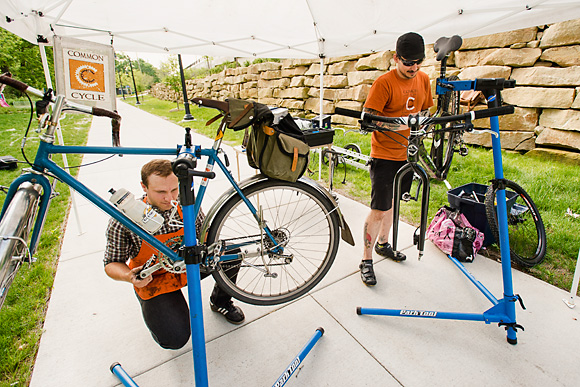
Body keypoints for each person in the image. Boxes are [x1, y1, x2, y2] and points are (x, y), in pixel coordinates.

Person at [104, 159, 245, 350]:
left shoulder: (185, 204)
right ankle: (158, 309)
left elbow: (204, 236)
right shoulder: (124, 219)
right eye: (161, 192)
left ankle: (220, 301)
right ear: (143, 187)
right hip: (154, 280)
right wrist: (129, 276)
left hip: (187, 267)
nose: (169, 198)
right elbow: (111, 263)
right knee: (174, 339)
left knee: (232, 254)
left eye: (174, 190)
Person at [359, 32, 434, 286]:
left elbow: (425, 110)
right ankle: (366, 259)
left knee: (393, 205)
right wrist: (401, 126)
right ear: (396, 58)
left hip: (408, 156)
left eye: (418, 62)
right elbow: (369, 120)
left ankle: (383, 245)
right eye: (408, 62)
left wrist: (420, 128)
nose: (414, 68)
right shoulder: (384, 83)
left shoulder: (424, 79)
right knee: (379, 209)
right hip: (384, 156)